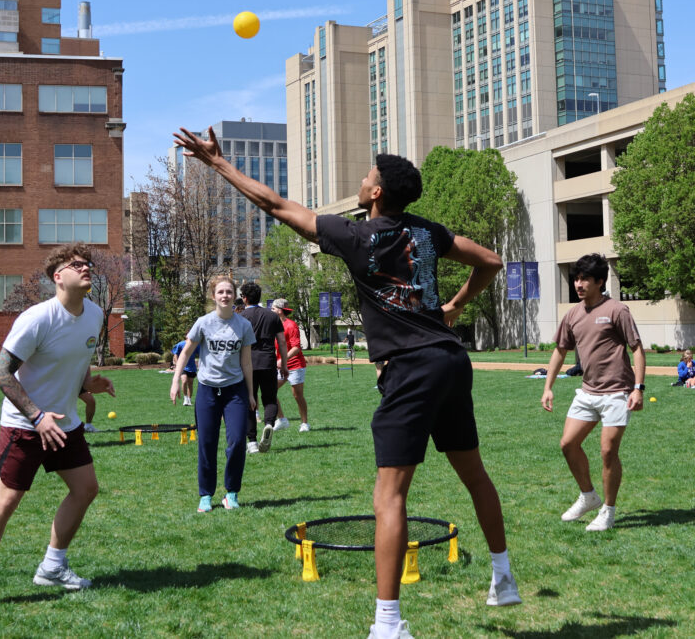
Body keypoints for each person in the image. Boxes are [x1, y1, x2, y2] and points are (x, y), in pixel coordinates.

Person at [174, 127, 520, 638]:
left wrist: (218, 165)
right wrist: (453, 307)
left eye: (367, 176)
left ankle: (388, 624)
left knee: (390, 497)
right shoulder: (427, 233)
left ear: (376, 193)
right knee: (474, 475)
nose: (362, 180)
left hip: (410, 367)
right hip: (451, 361)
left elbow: (274, 203)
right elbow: (490, 261)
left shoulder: (357, 237)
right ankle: (504, 577)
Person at [0, 243, 115, 617]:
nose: (86, 267)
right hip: (25, 425)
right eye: (77, 264)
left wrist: (91, 383)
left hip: (64, 424)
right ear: (58, 277)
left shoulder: (94, 315)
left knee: (86, 488)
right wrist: (37, 416)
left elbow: (75, 364)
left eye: (88, 263)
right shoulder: (37, 318)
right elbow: (1, 372)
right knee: (6, 501)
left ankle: (53, 567)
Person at [541, 253, 645, 533]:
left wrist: (638, 388)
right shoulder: (572, 314)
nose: (579, 283)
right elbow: (560, 351)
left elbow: (636, 348)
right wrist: (548, 386)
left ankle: (608, 511)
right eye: (576, 278)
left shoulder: (617, 310)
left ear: (600, 281)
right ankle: (588, 496)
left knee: (608, 451)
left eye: (585, 278)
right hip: (587, 392)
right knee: (568, 444)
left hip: (617, 392)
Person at [171, 275, 255, 512]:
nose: (225, 296)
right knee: (207, 443)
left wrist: (250, 394)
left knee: (238, 441)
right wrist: (175, 381)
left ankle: (231, 493)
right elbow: (186, 353)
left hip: (235, 390)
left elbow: (247, 362)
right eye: (220, 292)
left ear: (234, 295)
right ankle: (206, 495)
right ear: (213, 296)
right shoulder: (203, 323)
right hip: (208, 390)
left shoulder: (243, 325)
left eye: (229, 292)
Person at [239, 283, 287, 453]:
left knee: (248, 401)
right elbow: (282, 341)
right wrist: (285, 365)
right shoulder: (272, 316)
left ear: (244, 297)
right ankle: (268, 424)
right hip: (268, 362)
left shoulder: (241, 316)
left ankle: (251, 442)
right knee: (270, 398)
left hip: (247, 364)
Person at [272, 299, 310, 432]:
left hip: (295, 365)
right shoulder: (273, 326)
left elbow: (296, 348)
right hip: (280, 366)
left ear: (280, 311)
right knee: (270, 391)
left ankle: (304, 423)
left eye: (273, 309)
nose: (271, 311)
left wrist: (282, 360)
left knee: (297, 395)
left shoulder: (291, 325)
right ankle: (281, 420)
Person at [171, 339, 200, 406]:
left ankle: (189, 400)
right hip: (183, 367)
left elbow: (201, 353)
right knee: (184, 381)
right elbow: (175, 355)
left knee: (190, 383)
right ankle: (185, 398)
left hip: (192, 367)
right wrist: (178, 364)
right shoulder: (180, 344)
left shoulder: (195, 344)